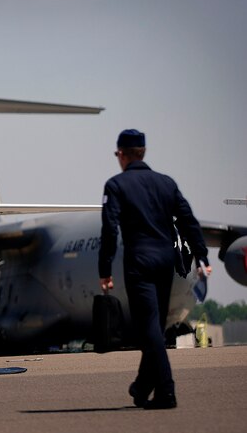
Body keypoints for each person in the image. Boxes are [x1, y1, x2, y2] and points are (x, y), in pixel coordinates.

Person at [98, 129, 212, 410]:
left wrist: (105, 268)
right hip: (166, 263)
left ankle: (166, 392)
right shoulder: (166, 183)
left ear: (122, 154)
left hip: (139, 263)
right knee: (155, 328)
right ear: (143, 152)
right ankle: (141, 386)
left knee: (149, 330)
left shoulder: (115, 185)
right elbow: (188, 220)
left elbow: (110, 229)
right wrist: (202, 256)